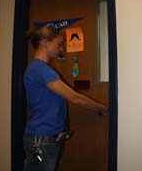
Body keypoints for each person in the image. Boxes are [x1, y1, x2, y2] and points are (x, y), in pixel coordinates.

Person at [23, 26, 107, 171]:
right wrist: (104, 108)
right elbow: (75, 98)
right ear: (45, 43)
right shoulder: (40, 69)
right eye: (59, 44)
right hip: (42, 140)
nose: (61, 49)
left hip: (46, 138)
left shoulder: (40, 69)